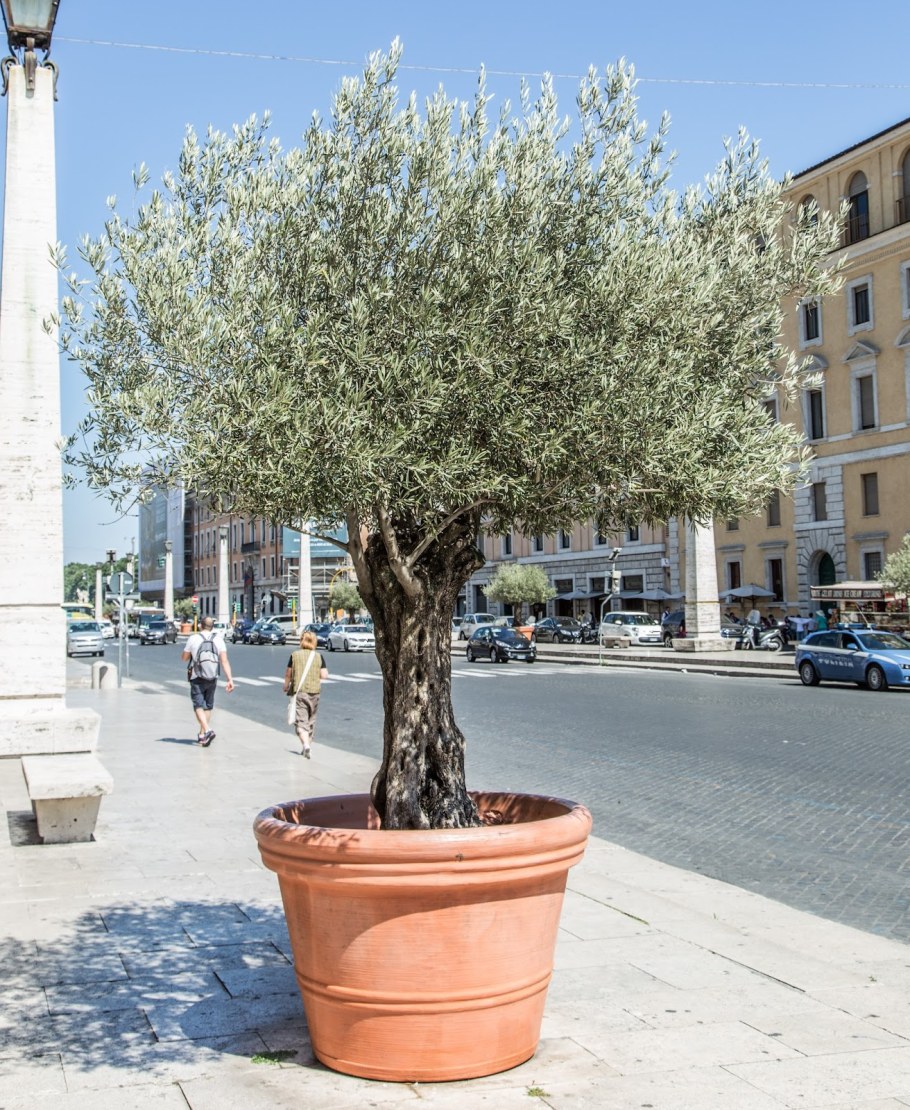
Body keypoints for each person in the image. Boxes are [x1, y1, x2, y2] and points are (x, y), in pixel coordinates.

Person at [181, 616, 234, 747]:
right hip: (212, 676)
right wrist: (230, 679)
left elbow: (184, 658)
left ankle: (208, 730)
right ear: (212, 627)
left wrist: (191, 654)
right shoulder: (218, 640)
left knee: (198, 705)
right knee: (208, 706)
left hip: (197, 676)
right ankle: (202, 735)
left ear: (200, 625)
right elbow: (224, 661)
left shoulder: (193, 638)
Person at [284, 629, 329, 758]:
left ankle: (306, 745)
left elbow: (288, 673)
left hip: (300, 692)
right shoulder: (319, 656)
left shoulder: (295, 655)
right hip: (315, 692)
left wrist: (286, 685)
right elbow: (324, 675)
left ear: (301, 641)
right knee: (311, 721)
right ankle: (307, 746)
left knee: (301, 722)